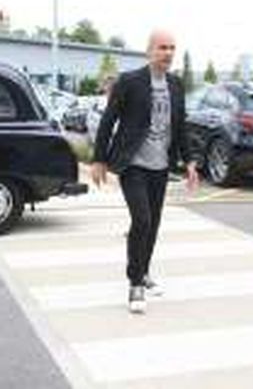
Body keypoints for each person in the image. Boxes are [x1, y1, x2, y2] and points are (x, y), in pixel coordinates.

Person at [91, 29, 199, 314]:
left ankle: (144, 271)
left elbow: (180, 127)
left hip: (161, 166)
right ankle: (135, 283)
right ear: (149, 51)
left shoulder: (176, 85)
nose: (168, 53)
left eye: (172, 48)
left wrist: (189, 163)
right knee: (142, 220)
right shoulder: (130, 82)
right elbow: (108, 120)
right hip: (133, 164)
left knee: (153, 224)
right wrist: (98, 159)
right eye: (162, 47)